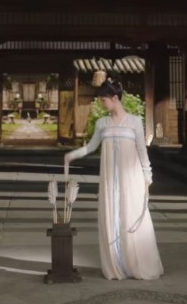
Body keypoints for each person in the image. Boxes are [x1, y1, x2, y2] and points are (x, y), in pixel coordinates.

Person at [64, 79, 163, 281]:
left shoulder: (134, 122)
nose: (102, 104)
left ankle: (136, 264)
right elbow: (91, 147)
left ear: (115, 98)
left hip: (132, 180)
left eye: (104, 100)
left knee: (131, 217)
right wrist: (71, 155)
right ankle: (117, 265)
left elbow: (142, 151)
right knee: (112, 217)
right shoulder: (102, 123)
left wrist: (148, 177)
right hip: (109, 181)